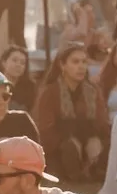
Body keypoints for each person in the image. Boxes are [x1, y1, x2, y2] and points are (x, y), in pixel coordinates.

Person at [34, 43, 110, 181]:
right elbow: (45, 130)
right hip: (60, 149)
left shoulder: (93, 90)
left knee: (99, 143)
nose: (81, 66)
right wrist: (72, 140)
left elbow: (102, 123)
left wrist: (93, 139)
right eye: (75, 62)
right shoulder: (50, 92)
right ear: (62, 65)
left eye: (84, 62)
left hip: (89, 143)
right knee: (70, 147)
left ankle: (93, 170)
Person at [0, 45, 37, 113]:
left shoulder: (30, 87)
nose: (18, 65)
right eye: (14, 60)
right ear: (3, 63)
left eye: (22, 63)